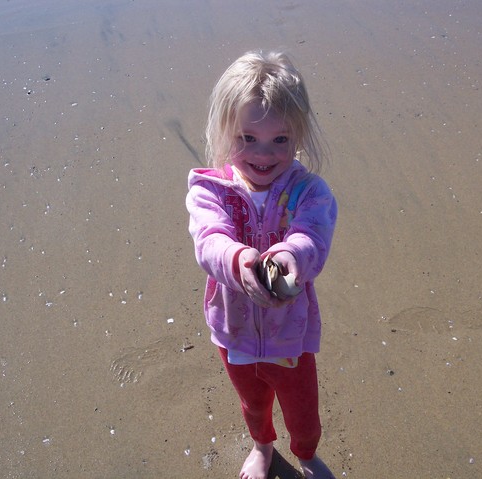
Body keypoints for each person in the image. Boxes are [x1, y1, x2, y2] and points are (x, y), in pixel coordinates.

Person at [186, 50, 337, 479]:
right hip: (232, 329)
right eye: (247, 138)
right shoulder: (209, 189)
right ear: (223, 130)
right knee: (252, 402)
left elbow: (313, 235)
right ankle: (262, 447)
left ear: (300, 136)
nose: (264, 154)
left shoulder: (310, 191)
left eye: (281, 140)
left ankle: (305, 455)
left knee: (303, 409)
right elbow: (209, 239)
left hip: (291, 335)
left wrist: (291, 255)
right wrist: (238, 259)